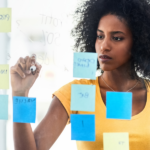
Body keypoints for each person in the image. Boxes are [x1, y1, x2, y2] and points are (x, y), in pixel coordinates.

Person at [10, 0, 150, 149]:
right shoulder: (78, 93)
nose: (104, 46)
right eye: (100, 36)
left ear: (138, 41)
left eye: (117, 38)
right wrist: (20, 94)